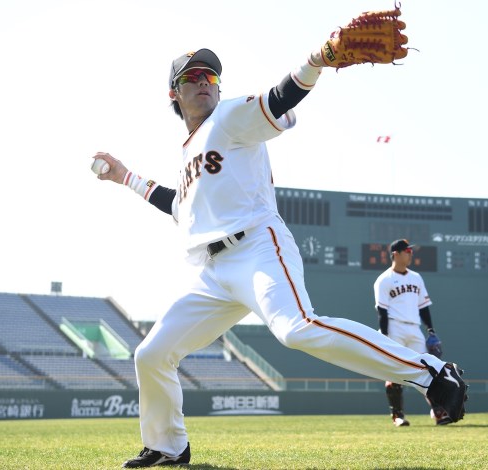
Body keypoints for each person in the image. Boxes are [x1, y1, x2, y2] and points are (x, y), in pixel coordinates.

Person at [92, 47, 467, 468]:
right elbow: (176, 204)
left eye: (210, 77)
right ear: (173, 94)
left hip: (257, 248)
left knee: (297, 329)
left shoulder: (230, 116)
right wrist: (125, 176)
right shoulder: (188, 154)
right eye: (191, 77)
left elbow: (280, 98)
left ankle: (431, 372)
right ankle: (167, 446)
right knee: (152, 354)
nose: (202, 81)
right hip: (214, 272)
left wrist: (318, 59)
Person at [374, 239, 450, 427]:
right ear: (396, 254)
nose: (410, 254)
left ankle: (438, 412)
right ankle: (397, 416)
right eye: (407, 251)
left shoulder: (416, 277)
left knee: (426, 369)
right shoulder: (384, 280)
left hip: (414, 329)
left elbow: (423, 308)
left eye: (410, 251)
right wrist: (385, 336)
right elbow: (382, 312)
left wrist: (430, 330)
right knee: (395, 372)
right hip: (394, 327)